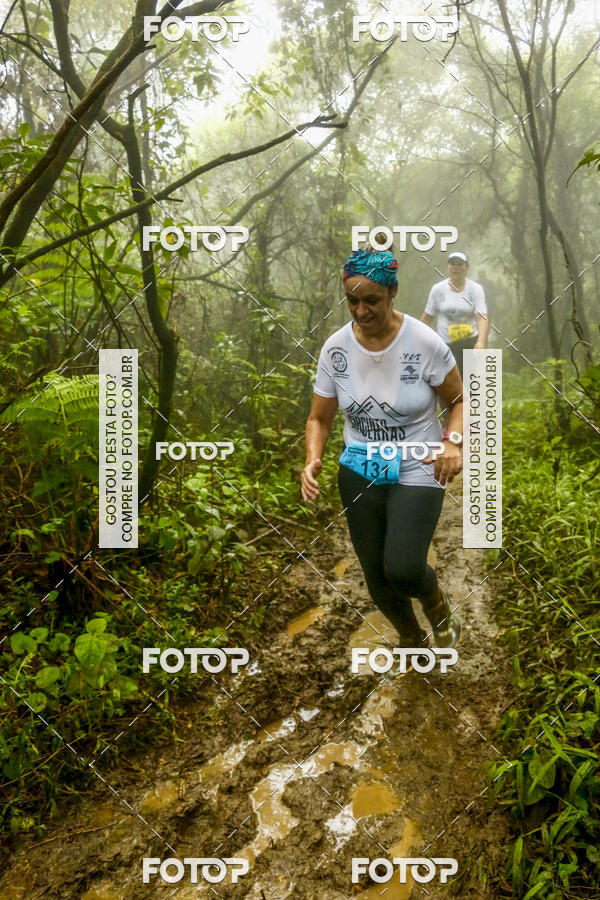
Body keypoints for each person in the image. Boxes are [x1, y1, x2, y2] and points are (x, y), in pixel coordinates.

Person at [300, 244, 463, 652]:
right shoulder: (335, 349)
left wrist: (452, 442)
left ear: (392, 292)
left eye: (371, 300)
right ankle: (412, 640)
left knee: (403, 569)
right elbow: (319, 418)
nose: (361, 311)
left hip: (418, 464)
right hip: (360, 467)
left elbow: (460, 402)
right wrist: (312, 459)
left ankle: (436, 602)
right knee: (378, 581)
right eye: (352, 301)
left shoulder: (424, 342)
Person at [421, 251, 488, 378]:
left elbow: (482, 317)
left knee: (469, 381)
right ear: (448, 267)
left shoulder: (476, 289)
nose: (456, 267)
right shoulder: (437, 289)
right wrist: (419, 341)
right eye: (452, 264)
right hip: (445, 344)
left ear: (466, 268)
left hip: (469, 342)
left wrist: (481, 342)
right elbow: (427, 318)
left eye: (460, 264)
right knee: (446, 381)